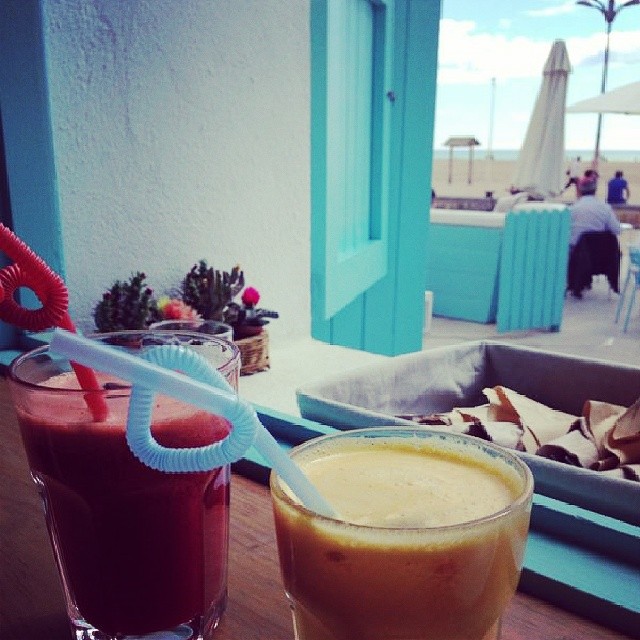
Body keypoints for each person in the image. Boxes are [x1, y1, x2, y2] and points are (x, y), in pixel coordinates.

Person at [569, 176, 621, 247]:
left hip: (575, 250)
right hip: (598, 250)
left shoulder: (572, 209)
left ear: (579, 190)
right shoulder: (605, 208)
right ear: (595, 190)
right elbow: (617, 230)